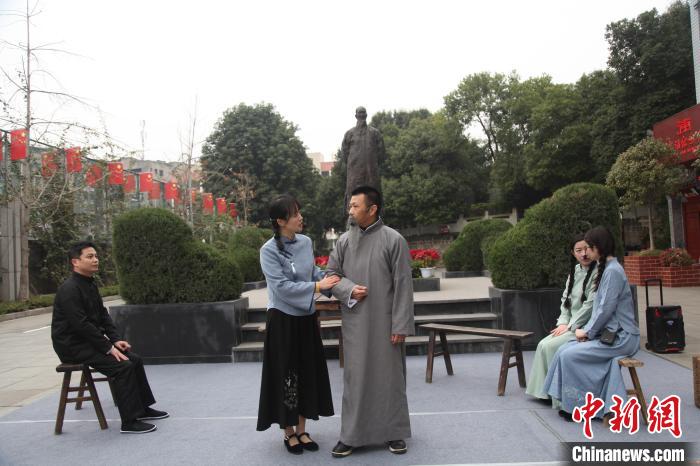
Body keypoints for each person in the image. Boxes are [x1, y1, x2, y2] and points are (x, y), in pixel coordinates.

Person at [326, 186, 415, 457]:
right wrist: (349, 289)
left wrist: (401, 325)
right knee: (355, 380)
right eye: (350, 205)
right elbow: (331, 276)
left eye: (355, 206)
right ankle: (351, 436)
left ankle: (394, 433)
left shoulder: (394, 239)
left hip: (386, 323)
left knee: (390, 378)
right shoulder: (343, 242)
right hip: (355, 321)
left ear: (372, 209)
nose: (350, 210)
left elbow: (403, 284)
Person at [51, 241, 168, 434]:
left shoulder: (90, 284)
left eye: (96, 256)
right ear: (75, 262)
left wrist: (115, 340)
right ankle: (129, 422)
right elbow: (81, 325)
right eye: (90, 257)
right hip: (72, 346)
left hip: (89, 341)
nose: (96, 260)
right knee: (123, 367)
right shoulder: (69, 289)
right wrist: (108, 347)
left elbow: (103, 316)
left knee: (134, 359)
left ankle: (142, 409)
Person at [256, 194, 338, 455]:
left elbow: (313, 273)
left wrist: (334, 282)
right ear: (281, 221)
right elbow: (281, 288)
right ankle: (288, 432)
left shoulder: (305, 242)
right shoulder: (268, 250)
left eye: (299, 212)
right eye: (295, 214)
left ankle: (302, 429)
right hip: (282, 320)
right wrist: (317, 286)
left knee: (306, 372)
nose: (300, 218)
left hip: (306, 319)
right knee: (287, 375)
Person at [543, 226, 641, 420]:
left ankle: (579, 407)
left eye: (588, 247)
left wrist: (587, 332)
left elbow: (605, 309)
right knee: (563, 350)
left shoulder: (612, 271)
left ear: (598, 247)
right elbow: (602, 309)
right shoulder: (607, 269)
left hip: (622, 338)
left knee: (569, 354)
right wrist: (588, 332)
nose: (585, 252)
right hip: (610, 335)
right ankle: (575, 403)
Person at [525, 234, 597, 400]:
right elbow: (566, 301)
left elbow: (590, 306)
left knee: (551, 346)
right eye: (578, 250)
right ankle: (544, 392)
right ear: (573, 253)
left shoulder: (598, 273)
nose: (583, 254)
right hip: (569, 325)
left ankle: (557, 395)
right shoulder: (574, 272)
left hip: (584, 327)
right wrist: (563, 323)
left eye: (586, 249)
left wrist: (570, 326)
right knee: (542, 344)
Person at [341, 106, 385, 206]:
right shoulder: (349, 134)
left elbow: (381, 153)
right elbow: (344, 154)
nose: (361, 115)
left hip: (371, 173)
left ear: (366, 115)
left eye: (363, 113)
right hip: (354, 174)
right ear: (356, 115)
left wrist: (372, 163)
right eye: (359, 113)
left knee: (373, 196)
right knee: (353, 197)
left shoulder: (375, 133)